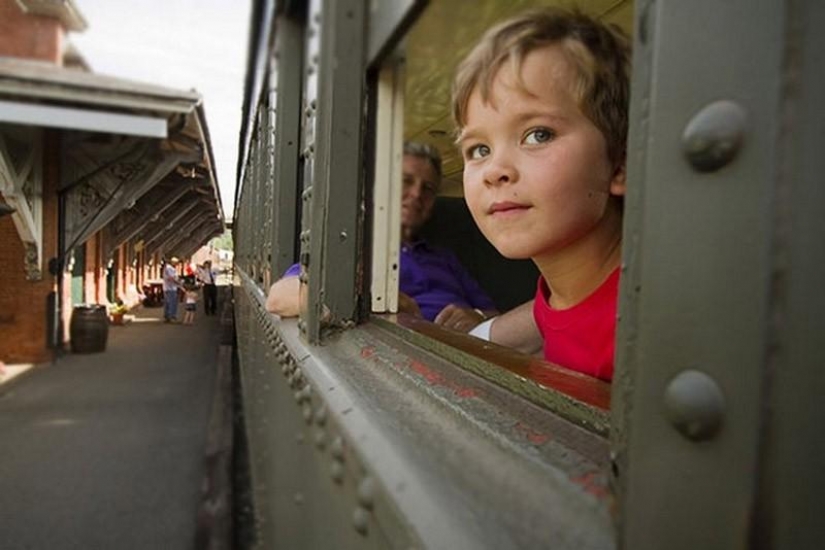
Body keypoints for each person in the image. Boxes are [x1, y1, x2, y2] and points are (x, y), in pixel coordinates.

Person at [452, 8, 630, 381]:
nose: (495, 170)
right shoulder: (559, 293)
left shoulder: (644, 324)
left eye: (538, 135)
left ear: (620, 163)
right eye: (478, 149)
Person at [266, 141, 498, 332]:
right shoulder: (356, 249)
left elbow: (495, 314)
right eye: (406, 181)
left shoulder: (444, 258)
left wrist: (475, 316)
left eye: (427, 188)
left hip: (467, 351)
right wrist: (378, 299)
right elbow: (279, 298)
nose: (417, 194)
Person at [162, 257, 183, 323]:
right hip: (170, 288)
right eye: (176, 263)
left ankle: (167, 316)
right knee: (172, 303)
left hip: (169, 287)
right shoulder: (169, 268)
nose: (177, 264)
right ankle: (171, 317)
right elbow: (172, 278)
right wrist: (179, 283)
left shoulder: (169, 268)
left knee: (168, 302)